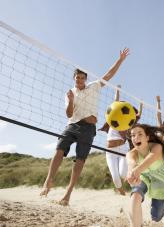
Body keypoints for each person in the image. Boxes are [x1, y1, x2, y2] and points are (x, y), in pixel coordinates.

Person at [39, 48, 130, 206]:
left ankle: (68, 194)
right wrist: (72, 100)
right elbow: (68, 114)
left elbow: (108, 74)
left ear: (85, 79)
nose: (79, 79)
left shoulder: (94, 87)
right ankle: (48, 181)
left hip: (88, 128)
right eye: (77, 77)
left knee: (79, 160)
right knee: (59, 149)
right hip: (72, 125)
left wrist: (120, 60)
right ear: (74, 79)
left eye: (82, 77)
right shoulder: (70, 93)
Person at [126, 124, 164, 227]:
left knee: (156, 216)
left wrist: (135, 171)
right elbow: (131, 164)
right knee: (135, 195)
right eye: (133, 135)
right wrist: (130, 174)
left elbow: (149, 160)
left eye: (140, 134)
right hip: (144, 175)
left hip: (161, 179)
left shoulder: (157, 147)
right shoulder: (131, 153)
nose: (135, 138)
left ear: (147, 137)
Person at [99, 85, 143, 195]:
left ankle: (128, 187)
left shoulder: (129, 122)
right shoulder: (113, 118)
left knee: (123, 174)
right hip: (110, 151)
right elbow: (115, 102)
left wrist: (141, 103)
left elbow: (139, 115)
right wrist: (117, 90)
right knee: (115, 177)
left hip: (123, 149)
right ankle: (120, 191)